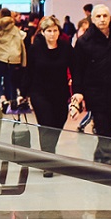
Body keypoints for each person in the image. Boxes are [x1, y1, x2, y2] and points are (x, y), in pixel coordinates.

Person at [72, 4, 111, 166]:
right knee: (103, 127)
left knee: (108, 129)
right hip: (95, 92)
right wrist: (78, 92)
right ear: (92, 19)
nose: (102, 19)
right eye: (98, 16)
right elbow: (78, 69)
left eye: (105, 16)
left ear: (110, 18)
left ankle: (100, 159)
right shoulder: (84, 42)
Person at [27, 15, 72, 155]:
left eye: (55, 30)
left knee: (58, 123)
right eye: (49, 31)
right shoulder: (35, 48)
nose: (52, 34)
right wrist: (24, 93)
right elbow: (28, 71)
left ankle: (49, 152)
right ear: (43, 32)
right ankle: (48, 156)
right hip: (39, 92)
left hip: (60, 93)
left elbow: (75, 68)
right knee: (46, 124)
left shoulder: (66, 48)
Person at [0, 9, 27, 106]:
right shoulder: (15, 29)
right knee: (9, 80)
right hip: (13, 58)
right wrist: (23, 61)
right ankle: (11, 101)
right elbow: (22, 41)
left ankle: (2, 97)